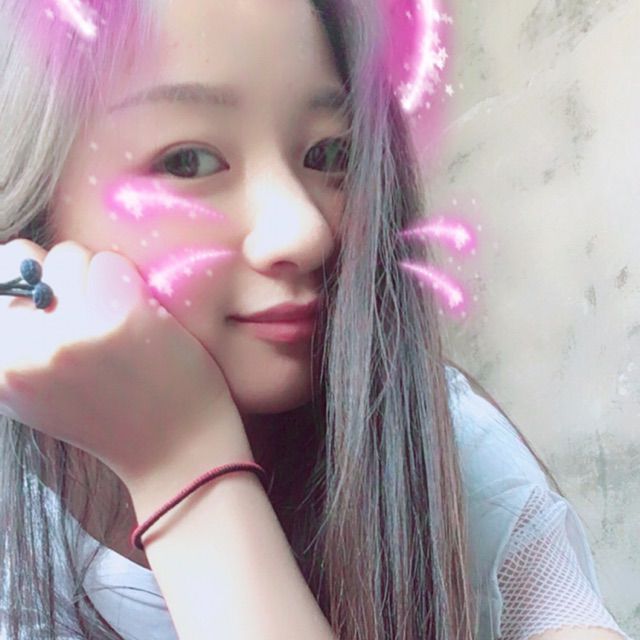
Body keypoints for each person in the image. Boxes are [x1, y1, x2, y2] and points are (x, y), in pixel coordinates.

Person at [0, 0, 633, 639]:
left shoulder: (436, 439)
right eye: (189, 160)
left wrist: (184, 465)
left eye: (330, 153)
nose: (304, 231)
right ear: (32, 211)